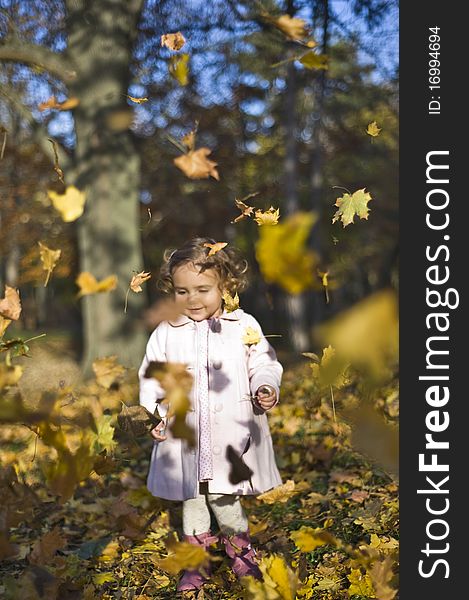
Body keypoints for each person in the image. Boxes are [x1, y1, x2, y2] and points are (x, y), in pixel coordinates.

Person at [138, 237, 283, 592]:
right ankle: (196, 561)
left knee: (223, 496)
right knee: (193, 496)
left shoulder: (242, 325)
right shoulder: (166, 333)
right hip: (185, 433)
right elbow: (153, 377)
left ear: (226, 286)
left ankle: (240, 552)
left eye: (203, 289)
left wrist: (265, 386)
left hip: (228, 432)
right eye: (182, 291)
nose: (193, 299)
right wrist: (156, 414)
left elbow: (263, 362)